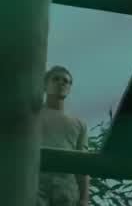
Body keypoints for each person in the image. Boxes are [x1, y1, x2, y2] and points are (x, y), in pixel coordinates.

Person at [39, 65, 89, 206]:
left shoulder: (79, 123)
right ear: (45, 86)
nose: (61, 83)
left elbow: (83, 163)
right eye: (56, 79)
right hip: (36, 185)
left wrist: (84, 198)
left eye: (66, 81)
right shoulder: (33, 115)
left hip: (66, 189)